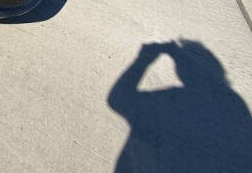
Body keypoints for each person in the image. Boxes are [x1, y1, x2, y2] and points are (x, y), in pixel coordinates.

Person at [108, 40, 252, 172]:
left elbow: (119, 98)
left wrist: (143, 60)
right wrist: (177, 54)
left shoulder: (171, 101)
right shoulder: (233, 105)